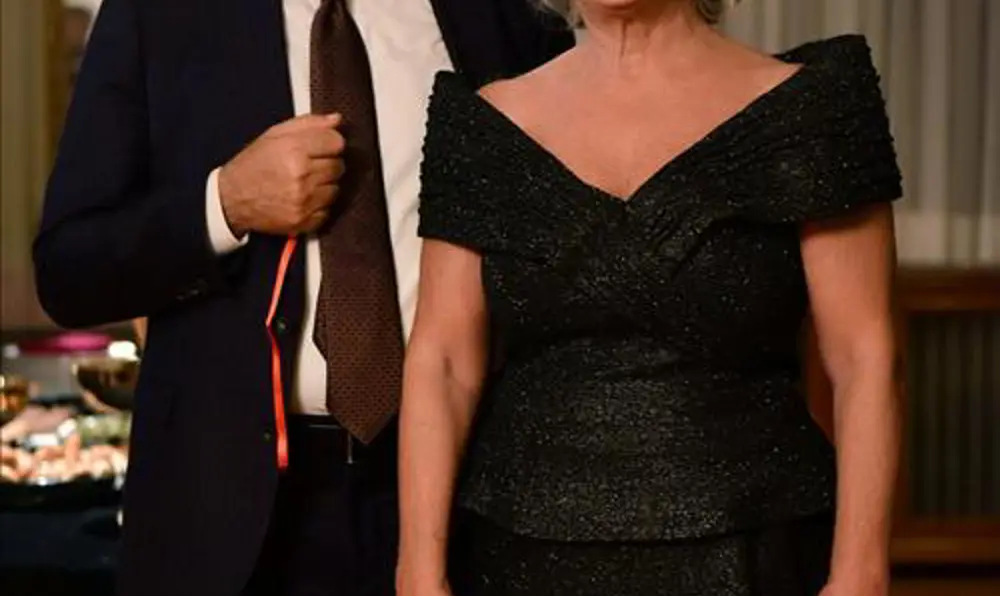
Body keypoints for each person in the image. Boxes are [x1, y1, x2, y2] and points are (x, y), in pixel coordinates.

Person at [33, 0, 572, 594]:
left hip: (467, 491)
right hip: (226, 509)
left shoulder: (497, 16)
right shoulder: (161, 15)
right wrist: (224, 204)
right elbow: (68, 270)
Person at [397, 1, 901, 595]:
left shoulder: (810, 108)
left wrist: (861, 571)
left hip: (757, 546)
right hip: (518, 553)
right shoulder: (483, 124)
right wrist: (419, 569)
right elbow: (442, 363)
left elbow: (864, 358)